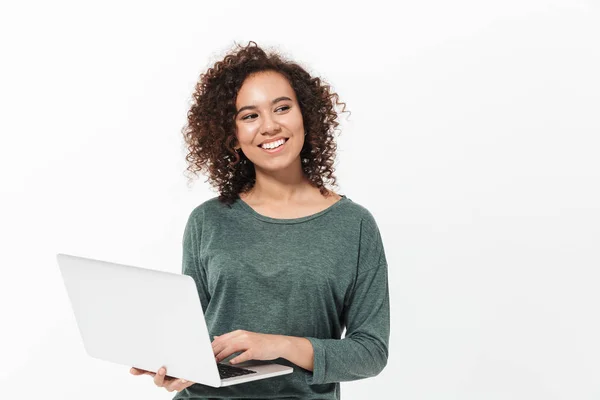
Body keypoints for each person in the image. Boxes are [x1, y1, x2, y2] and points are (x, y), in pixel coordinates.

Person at [130, 40, 390, 399]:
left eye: (282, 108)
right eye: (249, 116)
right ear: (233, 136)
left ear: (305, 117)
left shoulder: (354, 225)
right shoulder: (207, 221)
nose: (269, 126)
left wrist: (279, 345)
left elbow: (371, 353)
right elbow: (194, 338)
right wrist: (176, 365)